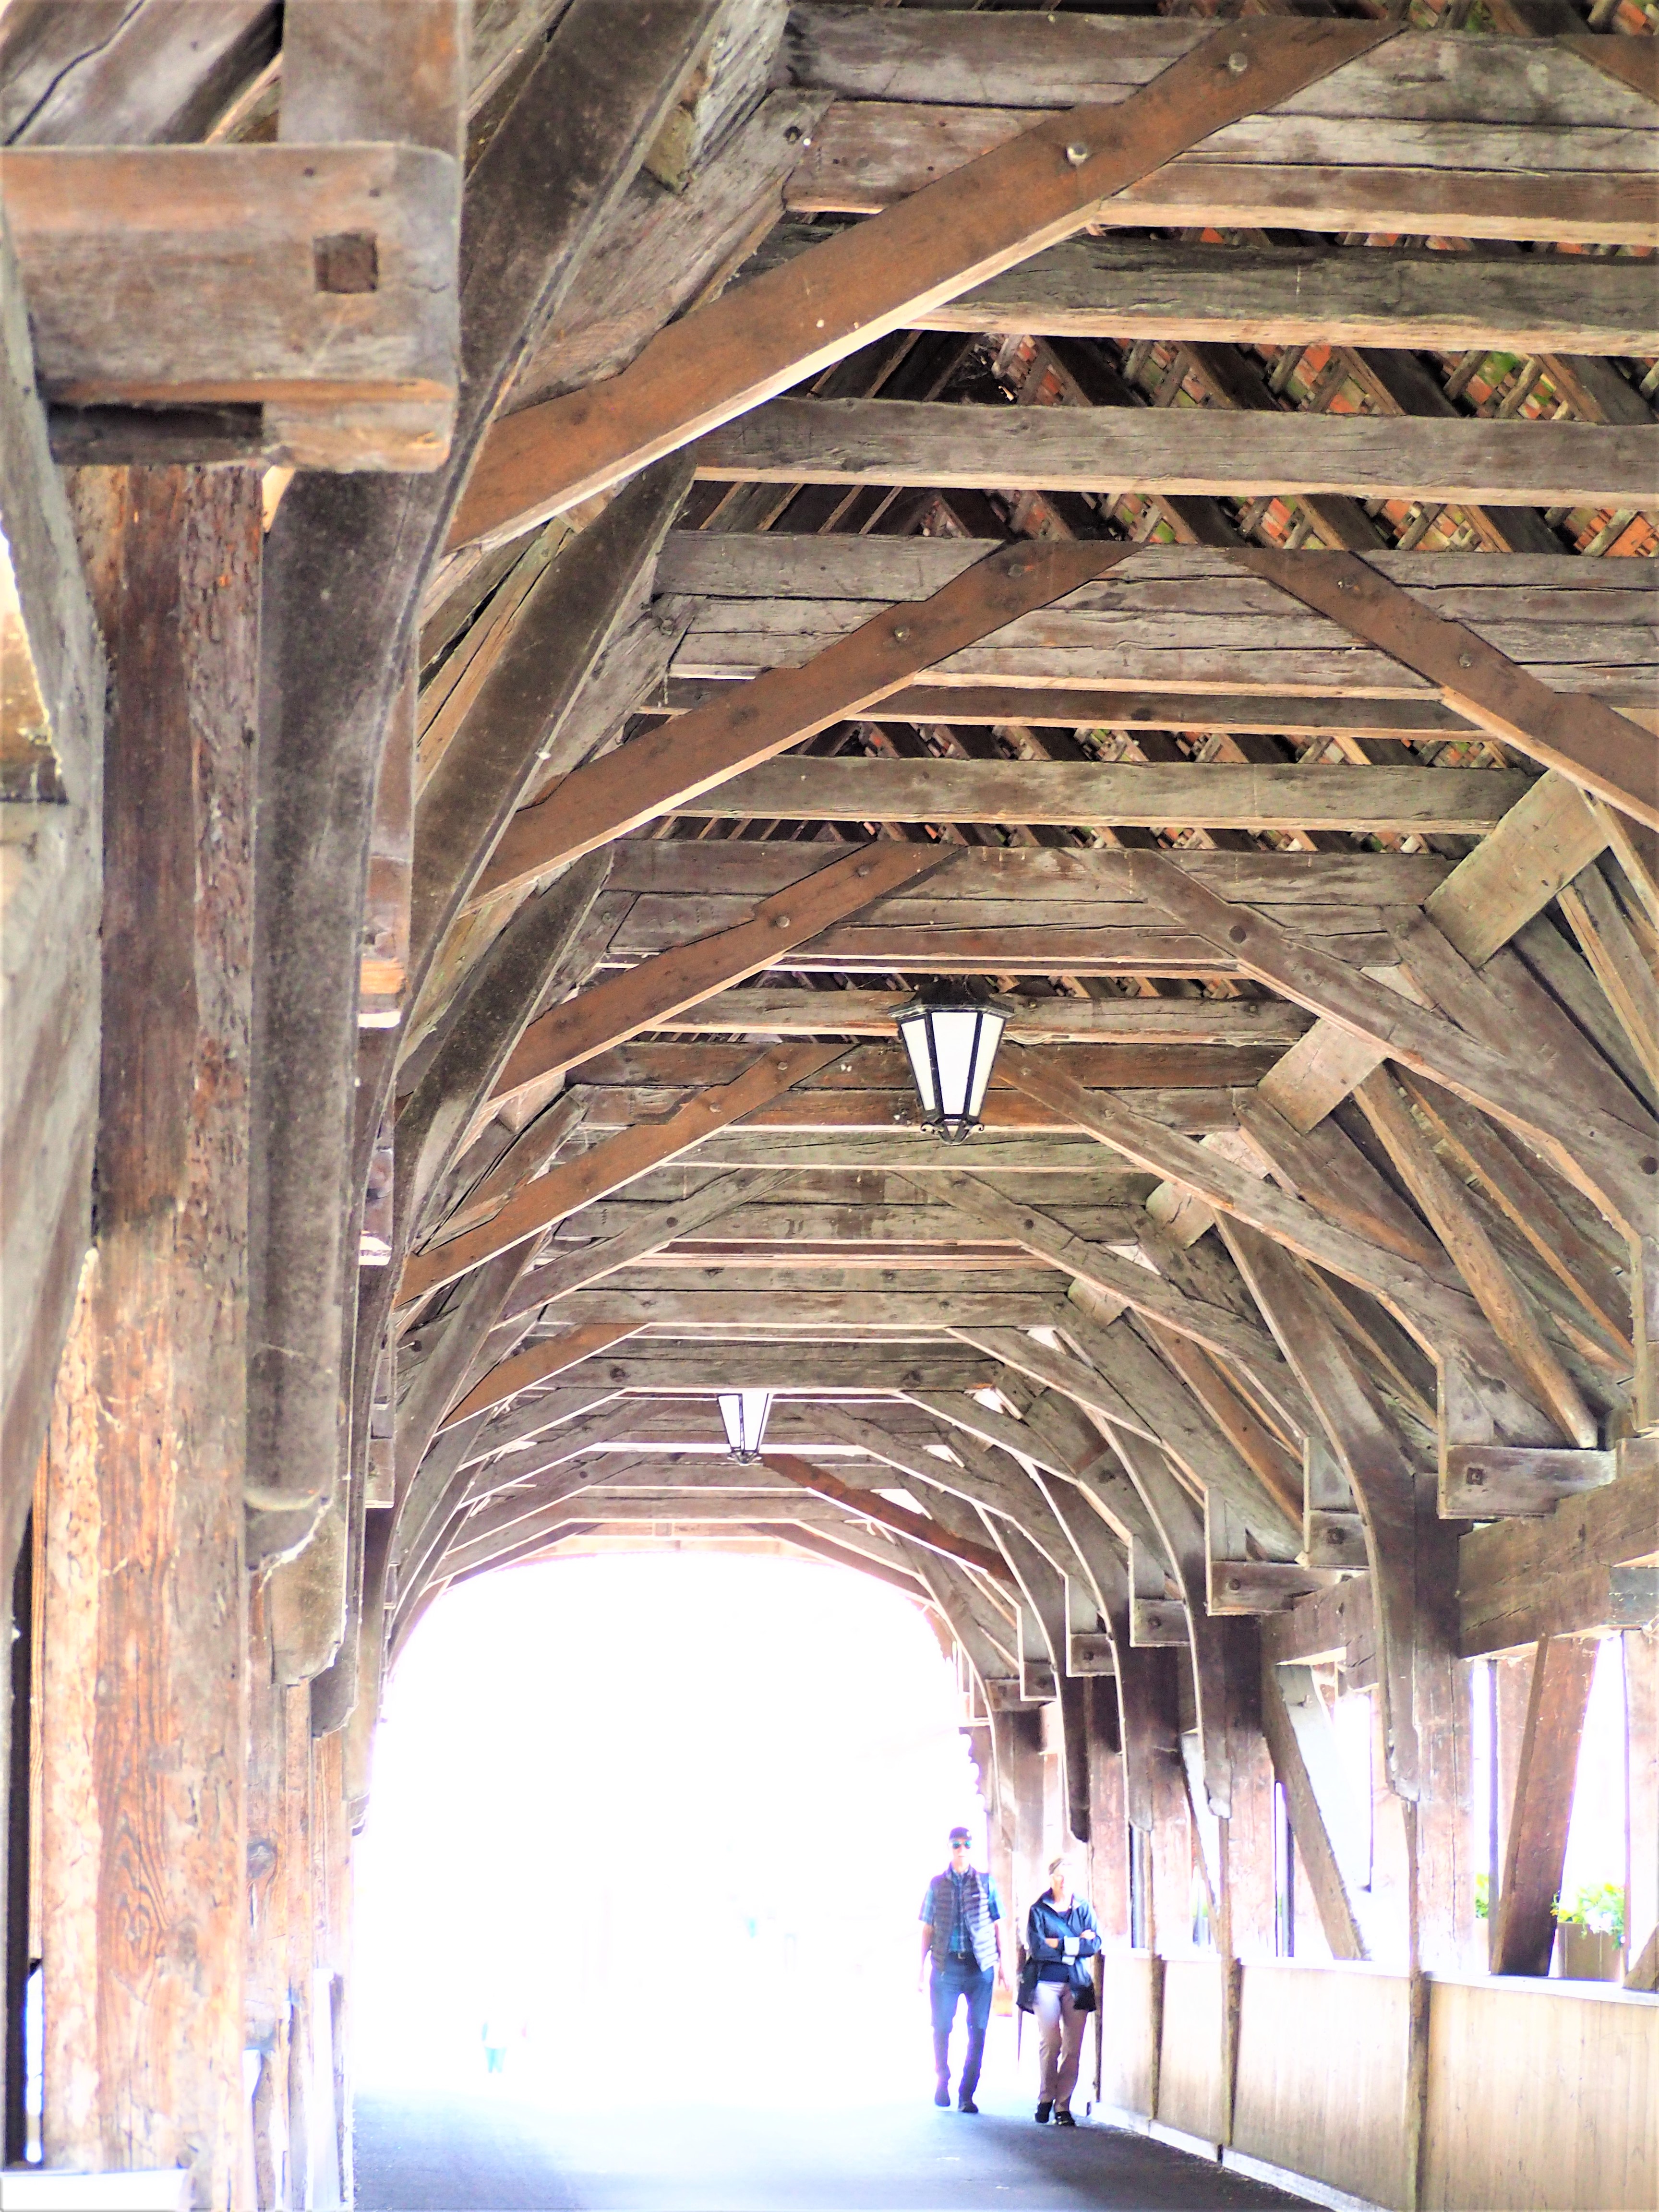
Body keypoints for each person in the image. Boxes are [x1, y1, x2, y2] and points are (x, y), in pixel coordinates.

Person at [917, 1824, 1008, 2114]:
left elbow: (999, 1924)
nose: (962, 1849)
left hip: (979, 1966)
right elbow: (928, 1928)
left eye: (967, 1844)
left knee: (979, 2029)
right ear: (949, 1848)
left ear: (972, 1848)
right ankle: (942, 2076)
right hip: (945, 1967)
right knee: (942, 2026)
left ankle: (967, 2093)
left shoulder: (985, 1883)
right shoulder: (937, 1885)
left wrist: (1004, 1965)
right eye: (957, 1844)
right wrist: (919, 1969)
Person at [1020, 1855, 1100, 2126]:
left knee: (1073, 2047)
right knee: (1051, 2040)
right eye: (1058, 1876)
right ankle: (1046, 2097)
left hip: (1076, 1983)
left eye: (1068, 1876)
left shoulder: (1084, 1908)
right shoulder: (1039, 1910)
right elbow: (1039, 1948)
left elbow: (1095, 1945)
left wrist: (1061, 1943)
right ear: (1051, 1878)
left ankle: (1063, 2106)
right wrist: (1077, 1942)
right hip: (1046, 1981)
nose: (1063, 1882)